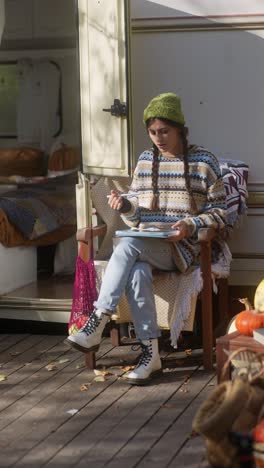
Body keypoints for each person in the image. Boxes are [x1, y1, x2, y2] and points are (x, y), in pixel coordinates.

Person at [66, 92, 227, 385]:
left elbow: (222, 213)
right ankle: (150, 354)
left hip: (181, 249)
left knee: (127, 245)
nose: (158, 138)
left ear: (180, 128)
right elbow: (136, 212)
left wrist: (189, 226)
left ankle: (98, 319)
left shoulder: (204, 162)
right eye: (152, 132)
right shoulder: (145, 160)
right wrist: (124, 205)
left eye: (164, 130)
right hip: (145, 246)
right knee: (136, 270)